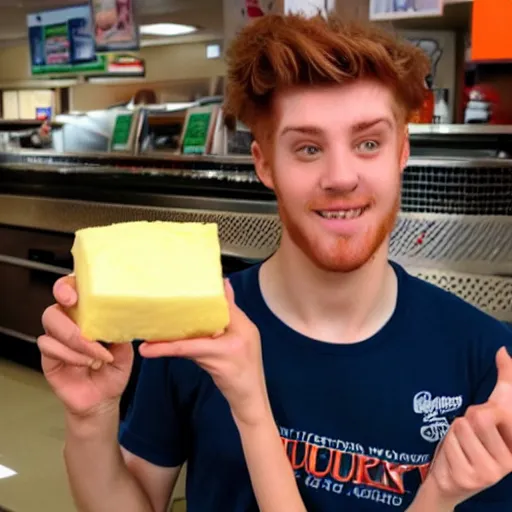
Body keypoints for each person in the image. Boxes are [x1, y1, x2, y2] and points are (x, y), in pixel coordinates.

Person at [38, 13, 512, 512]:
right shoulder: (196, 327)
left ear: (401, 152)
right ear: (265, 164)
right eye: (307, 148)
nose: (340, 176)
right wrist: (91, 418)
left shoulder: (484, 358)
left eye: (368, 143)